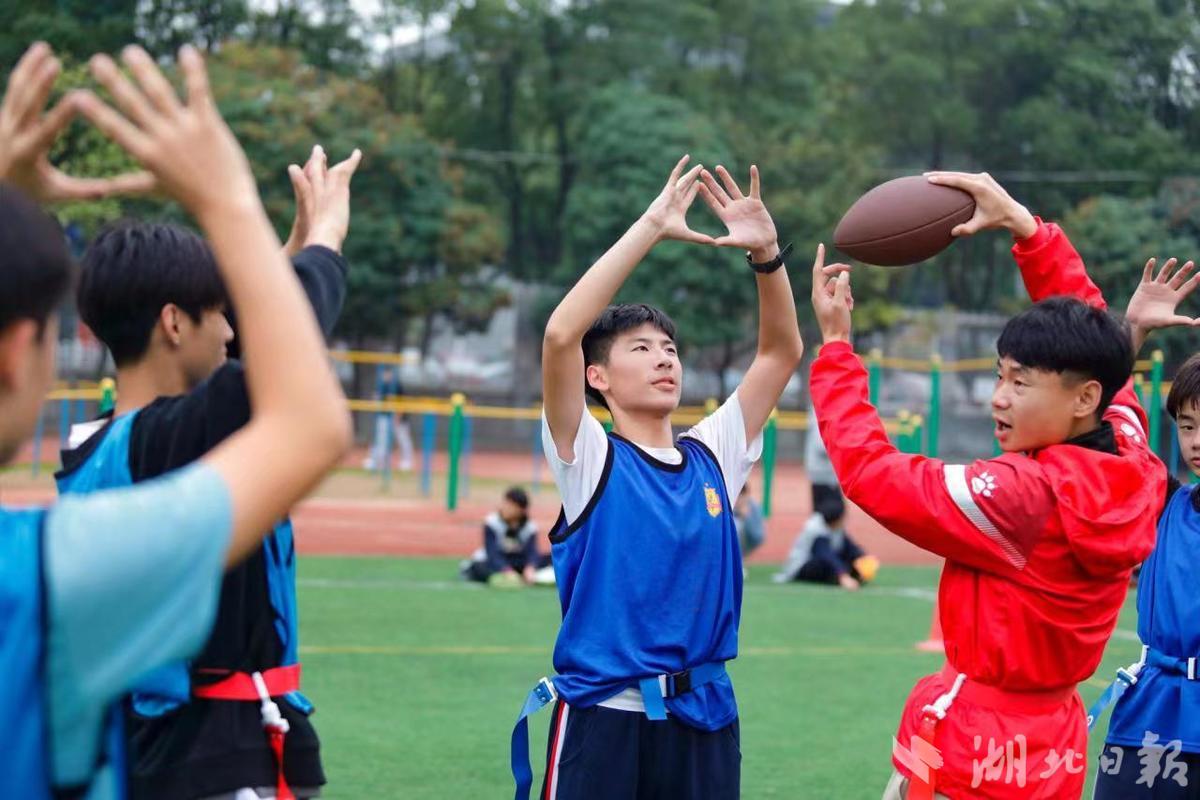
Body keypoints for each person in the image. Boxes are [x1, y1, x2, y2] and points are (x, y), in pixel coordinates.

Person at [0, 40, 349, 797]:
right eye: (221, 313)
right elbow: (293, 396)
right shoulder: (172, 436)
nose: (231, 330)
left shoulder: (95, 443)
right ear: (173, 323)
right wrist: (315, 242)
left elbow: (250, 368)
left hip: (159, 748)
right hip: (217, 760)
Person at [809, 170, 1163, 800]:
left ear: (1083, 399)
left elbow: (872, 474)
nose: (998, 398)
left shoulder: (1020, 497)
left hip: (975, 748)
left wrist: (837, 347)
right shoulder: (1130, 449)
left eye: (1019, 382)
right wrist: (1029, 232)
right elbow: (1099, 352)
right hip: (1051, 745)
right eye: (1001, 376)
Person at [512, 156, 820, 800]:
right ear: (597, 377)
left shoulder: (714, 455)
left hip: (705, 715)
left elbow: (781, 351)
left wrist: (766, 255)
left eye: (670, 350)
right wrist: (652, 225)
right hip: (606, 717)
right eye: (642, 348)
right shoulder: (589, 457)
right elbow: (562, 334)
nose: (664, 360)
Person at [1090, 257, 1200, 798]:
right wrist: (1131, 332)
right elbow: (1096, 421)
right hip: (1148, 718)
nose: (1197, 442)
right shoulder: (1164, 501)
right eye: (1188, 425)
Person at [773, 485, 874, 589]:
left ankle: (844, 576)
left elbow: (848, 545)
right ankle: (840, 578)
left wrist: (862, 556)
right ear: (836, 520)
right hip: (802, 567)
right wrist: (842, 575)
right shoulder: (815, 529)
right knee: (826, 564)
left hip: (822, 560)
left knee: (854, 562)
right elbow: (825, 554)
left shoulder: (834, 525)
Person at [461, 486, 553, 586]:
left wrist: (530, 567)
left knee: (551, 558)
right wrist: (506, 570)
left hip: (517, 560)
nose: (505, 508)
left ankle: (532, 576)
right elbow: (492, 553)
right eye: (505, 503)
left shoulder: (530, 527)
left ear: (521, 509)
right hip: (493, 561)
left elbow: (532, 552)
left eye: (510, 505)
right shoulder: (492, 523)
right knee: (478, 566)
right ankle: (500, 577)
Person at [363, 365, 414, 472]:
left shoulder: (397, 385)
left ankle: (407, 461)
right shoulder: (381, 386)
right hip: (385, 417)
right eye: (384, 374)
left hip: (399, 418)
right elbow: (376, 399)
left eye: (388, 373)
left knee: (403, 439)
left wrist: (398, 417)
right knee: (380, 440)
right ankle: (377, 461)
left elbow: (402, 403)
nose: (386, 376)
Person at [734, 483, 765, 560]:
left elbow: (758, 537)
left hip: (746, 545)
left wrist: (746, 518)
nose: (738, 500)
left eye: (741, 496)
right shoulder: (727, 504)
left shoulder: (753, 507)